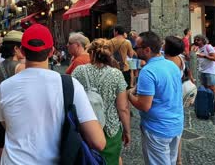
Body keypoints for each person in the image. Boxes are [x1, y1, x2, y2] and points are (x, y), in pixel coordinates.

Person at [0, 24, 106, 164]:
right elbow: (99, 142)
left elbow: (7, 125)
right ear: (51, 52)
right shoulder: (70, 85)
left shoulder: (4, 87)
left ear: (22, 51)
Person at [127, 32, 183, 165]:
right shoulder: (172, 65)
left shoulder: (148, 70)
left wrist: (128, 95)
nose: (135, 51)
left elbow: (144, 105)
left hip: (157, 129)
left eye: (137, 48)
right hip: (176, 124)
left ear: (147, 50)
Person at [72, 38, 131, 165]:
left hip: (85, 125)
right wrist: (127, 131)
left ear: (91, 53)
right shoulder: (116, 74)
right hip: (110, 128)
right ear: (110, 54)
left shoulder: (78, 71)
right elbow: (123, 108)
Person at [0, 30, 25, 162]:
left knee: (3, 159)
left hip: (0, 118)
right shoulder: (20, 68)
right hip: (16, 119)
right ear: (16, 49)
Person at [163, 36, 193, 165]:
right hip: (178, 94)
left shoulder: (166, 63)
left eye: (164, 44)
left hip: (169, 97)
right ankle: (178, 160)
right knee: (177, 131)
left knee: (167, 133)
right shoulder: (180, 58)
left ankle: (170, 159)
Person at [193, 34, 215, 110]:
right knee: (204, 87)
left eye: (198, 40)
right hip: (202, 70)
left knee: (212, 87)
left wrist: (204, 56)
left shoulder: (208, 47)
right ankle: (207, 102)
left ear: (203, 40)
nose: (196, 41)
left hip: (210, 70)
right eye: (195, 40)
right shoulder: (197, 48)